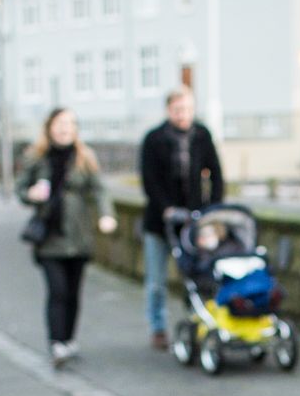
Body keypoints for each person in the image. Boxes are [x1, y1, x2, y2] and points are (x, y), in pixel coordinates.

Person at [17, 107, 115, 368]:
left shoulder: (85, 157)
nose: (64, 129)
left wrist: (106, 215)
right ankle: (56, 342)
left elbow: (100, 190)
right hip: (50, 237)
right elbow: (21, 189)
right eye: (60, 124)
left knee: (73, 292)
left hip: (79, 236)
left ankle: (69, 339)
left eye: (70, 124)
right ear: (49, 127)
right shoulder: (37, 157)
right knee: (57, 290)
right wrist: (31, 194)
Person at [137, 87, 224, 350]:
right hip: (160, 222)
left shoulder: (202, 135)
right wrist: (165, 208)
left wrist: (213, 209)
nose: (182, 114)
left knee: (197, 276)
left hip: (194, 220)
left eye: (187, 109)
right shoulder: (154, 139)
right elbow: (149, 180)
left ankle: (198, 320)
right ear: (168, 110)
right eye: (177, 110)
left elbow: (216, 173)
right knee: (156, 281)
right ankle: (157, 326)